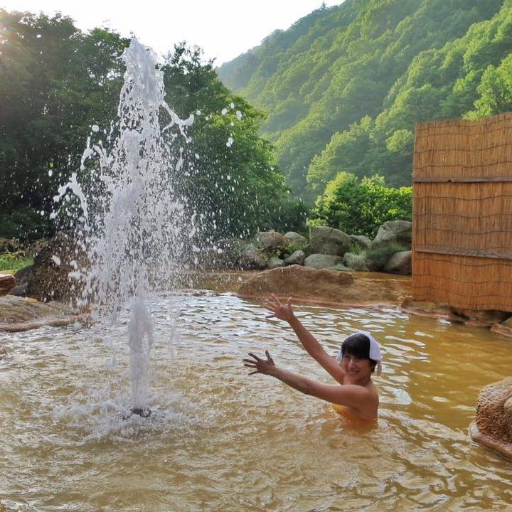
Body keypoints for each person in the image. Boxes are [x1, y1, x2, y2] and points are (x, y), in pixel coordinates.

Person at [243, 295, 382, 421]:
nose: (351, 365)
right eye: (347, 357)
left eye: (358, 359)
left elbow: (308, 388)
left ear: (372, 363)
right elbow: (318, 352)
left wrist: (272, 371)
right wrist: (291, 319)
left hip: (356, 444)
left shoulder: (362, 393)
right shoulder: (352, 377)